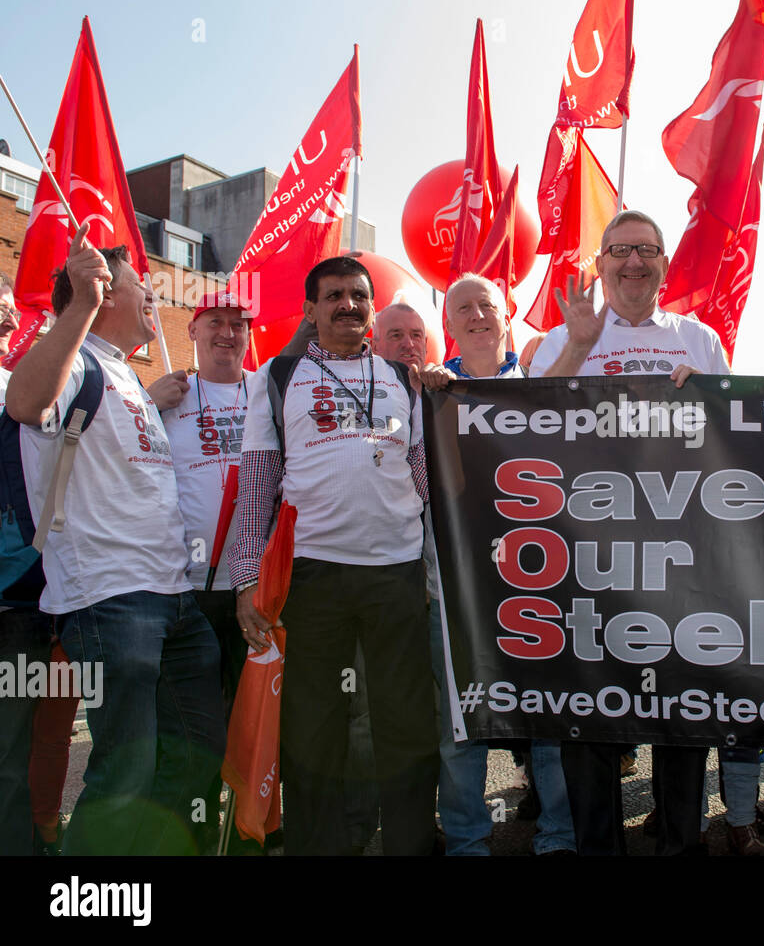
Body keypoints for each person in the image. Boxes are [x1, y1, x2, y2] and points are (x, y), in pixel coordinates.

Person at [6, 225, 225, 854]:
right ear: (100, 293)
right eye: (140, 285)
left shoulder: (126, 375)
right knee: (124, 770)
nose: (154, 297)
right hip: (111, 600)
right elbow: (23, 403)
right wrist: (79, 305)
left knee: (194, 750)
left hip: (174, 599)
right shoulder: (72, 361)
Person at [229, 254, 440, 855]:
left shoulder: (403, 379)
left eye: (358, 295)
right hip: (312, 576)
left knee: (406, 724)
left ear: (373, 308)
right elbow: (258, 484)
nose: (348, 305)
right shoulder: (278, 377)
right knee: (313, 727)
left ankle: (410, 844)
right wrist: (248, 580)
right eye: (334, 296)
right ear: (311, 310)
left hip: (395, 574)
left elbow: (424, 478)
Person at [528, 210, 724, 855]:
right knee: (589, 714)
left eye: (647, 250)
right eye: (619, 251)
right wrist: (582, 344)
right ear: (601, 263)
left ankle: (678, 844)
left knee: (683, 711)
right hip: (591, 555)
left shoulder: (700, 338)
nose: (633, 262)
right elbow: (526, 421)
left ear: (665, 263)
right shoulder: (562, 337)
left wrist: (712, 398)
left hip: (680, 555)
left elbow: (733, 438)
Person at [414, 273, 577, 856]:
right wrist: (429, 391)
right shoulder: (426, 395)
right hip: (454, 598)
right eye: (464, 308)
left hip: (539, 594)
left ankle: (559, 836)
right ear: (449, 325)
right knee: (462, 732)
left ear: (507, 315)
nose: (478, 315)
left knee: (551, 725)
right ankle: (466, 841)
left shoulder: (541, 389)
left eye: (487, 304)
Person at [152, 289, 256, 851]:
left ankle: (248, 832)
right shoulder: (168, 395)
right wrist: (147, 399)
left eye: (238, 324)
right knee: (194, 732)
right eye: (214, 322)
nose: (227, 333)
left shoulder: (265, 394)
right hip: (185, 591)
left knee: (253, 726)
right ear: (190, 331)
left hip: (252, 590)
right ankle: (189, 832)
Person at [372, 302, 431, 370]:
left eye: (416, 335)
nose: (409, 345)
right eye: (396, 336)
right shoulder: (360, 378)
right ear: (375, 347)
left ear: (425, 344)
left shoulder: (443, 379)